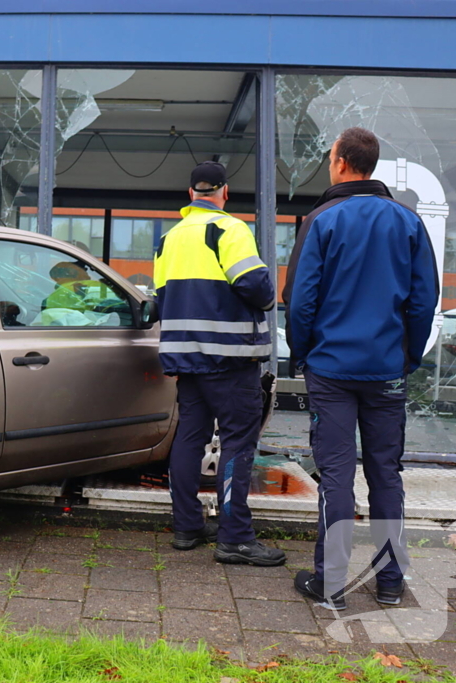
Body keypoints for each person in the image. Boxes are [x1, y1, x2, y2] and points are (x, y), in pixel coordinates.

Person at [283, 127, 439, 610]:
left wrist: (302, 352)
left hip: (331, 369)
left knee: (336, 475)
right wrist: (407, 357)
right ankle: (390, 581)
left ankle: (331, 583)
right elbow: (424, 301)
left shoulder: (321, 219)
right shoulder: (409, 222)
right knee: (386, 474)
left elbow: (300, 300)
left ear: (341, 163)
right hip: (385, 370)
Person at [153, 161, 285, 566]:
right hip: (231, 359)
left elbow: (161, 298)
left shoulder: (169, 239)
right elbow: (257, 287)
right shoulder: (230, 229)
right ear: (224, 192)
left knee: (188, 439)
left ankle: (186, 526)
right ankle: (235, 538)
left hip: (187, 360)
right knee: (238, 443)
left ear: (190, 194)